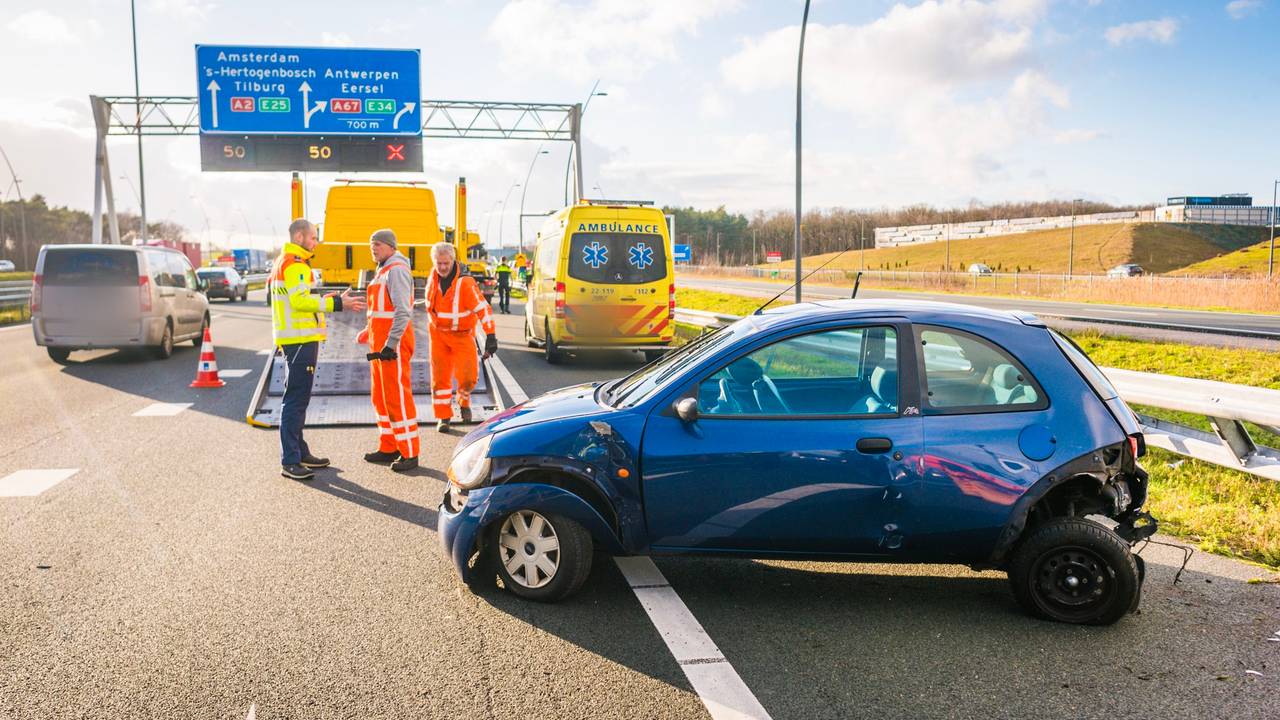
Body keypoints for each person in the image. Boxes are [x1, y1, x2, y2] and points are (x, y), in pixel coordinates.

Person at [271, 218, 365, 481]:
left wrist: (326, 299)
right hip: (300, 339)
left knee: (296, 398)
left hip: (293, 339)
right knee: (296, 400)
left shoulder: (284, 262)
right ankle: (290, 460)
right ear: (300, 237)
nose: (316, 242)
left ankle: (299, 452)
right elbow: (300, 302)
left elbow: (295, 301)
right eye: (313, 237)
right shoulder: (297, 266)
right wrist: (336, 303)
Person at [355, 229, 420, 473]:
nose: (374, 248)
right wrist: (367, 331)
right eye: (372, 245)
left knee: (397, 399)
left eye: (379, 244)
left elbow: (403, 312)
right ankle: (389, 445)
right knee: (381, 398)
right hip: (380, 346)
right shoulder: (383, 270)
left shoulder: (396, 271)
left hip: (393, 347)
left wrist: (390, 343)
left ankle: (410, 452)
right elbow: (381, 312)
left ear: (391, 247)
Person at [425, 242, 497, 432]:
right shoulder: (431, 278)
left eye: (446, 263)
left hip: (462, 335)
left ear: (453, 260)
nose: (442, 268)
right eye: (438, 263)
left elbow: (483, 308)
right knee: (439, 379)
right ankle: (443, 417)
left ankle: (463, 401)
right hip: (438, 335)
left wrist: (491, 335)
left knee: (468, 377)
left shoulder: (465, 283)